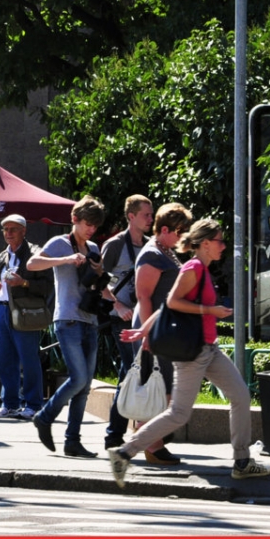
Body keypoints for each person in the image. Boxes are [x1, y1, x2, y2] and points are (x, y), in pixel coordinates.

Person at [109, 219, 270, 486]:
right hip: (193, 353)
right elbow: (173, 302)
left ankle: (242, 461)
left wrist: (144, 329)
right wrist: (211, 311)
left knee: (241, 395)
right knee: (179, 413)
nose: (223, 246)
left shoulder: (204, 271)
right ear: (205, 244)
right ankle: (125, 452)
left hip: (210, 349)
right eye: (219, 241)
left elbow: (166, 307)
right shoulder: (193, 268)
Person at [26, 195, 106, 458]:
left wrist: (107, 284)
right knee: (79, 377)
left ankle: (72, 440)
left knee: (84, 386)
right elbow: (32, 264)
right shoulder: (59, 243)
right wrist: (65, 260)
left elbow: (97, 286)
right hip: (68, 319)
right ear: (75, 220)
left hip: (90, 320)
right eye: (87, 224)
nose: (91, 230)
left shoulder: (94, 247)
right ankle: (45, 416)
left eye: (95, 226)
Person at [115, 202, 194, 463]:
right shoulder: (152, 254)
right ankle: (151, 445)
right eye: (180, 230)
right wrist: (147, 335)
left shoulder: (165, 250)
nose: (184, 236)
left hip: (163, 326)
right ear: (164, 229)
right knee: (157, 385)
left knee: (162, 384)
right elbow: (144, 296)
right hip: (152, 327)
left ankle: (149, 439)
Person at [100, 195, 154, 451]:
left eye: (151, 215)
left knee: (130, 372)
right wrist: (117, 305)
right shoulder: (115, 245)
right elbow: (96, 283)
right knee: (130, 371)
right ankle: (116, 434)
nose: (150, 219)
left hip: (139, 318)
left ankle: (123, 432)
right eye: (146, 215)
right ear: (130, 216)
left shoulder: (148, 245)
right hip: (120, 318)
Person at [0, 214, 48, 422]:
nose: (8, 233)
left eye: (13, 229)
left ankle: (33, 404)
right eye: (5, 230)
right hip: (3, 309)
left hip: (24, 311)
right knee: (5, 359)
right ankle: (10, 403)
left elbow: (47, 287)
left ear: (24, 231)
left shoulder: (35, 254)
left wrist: (23, 283)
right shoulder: (3, 256)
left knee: (28, 358)